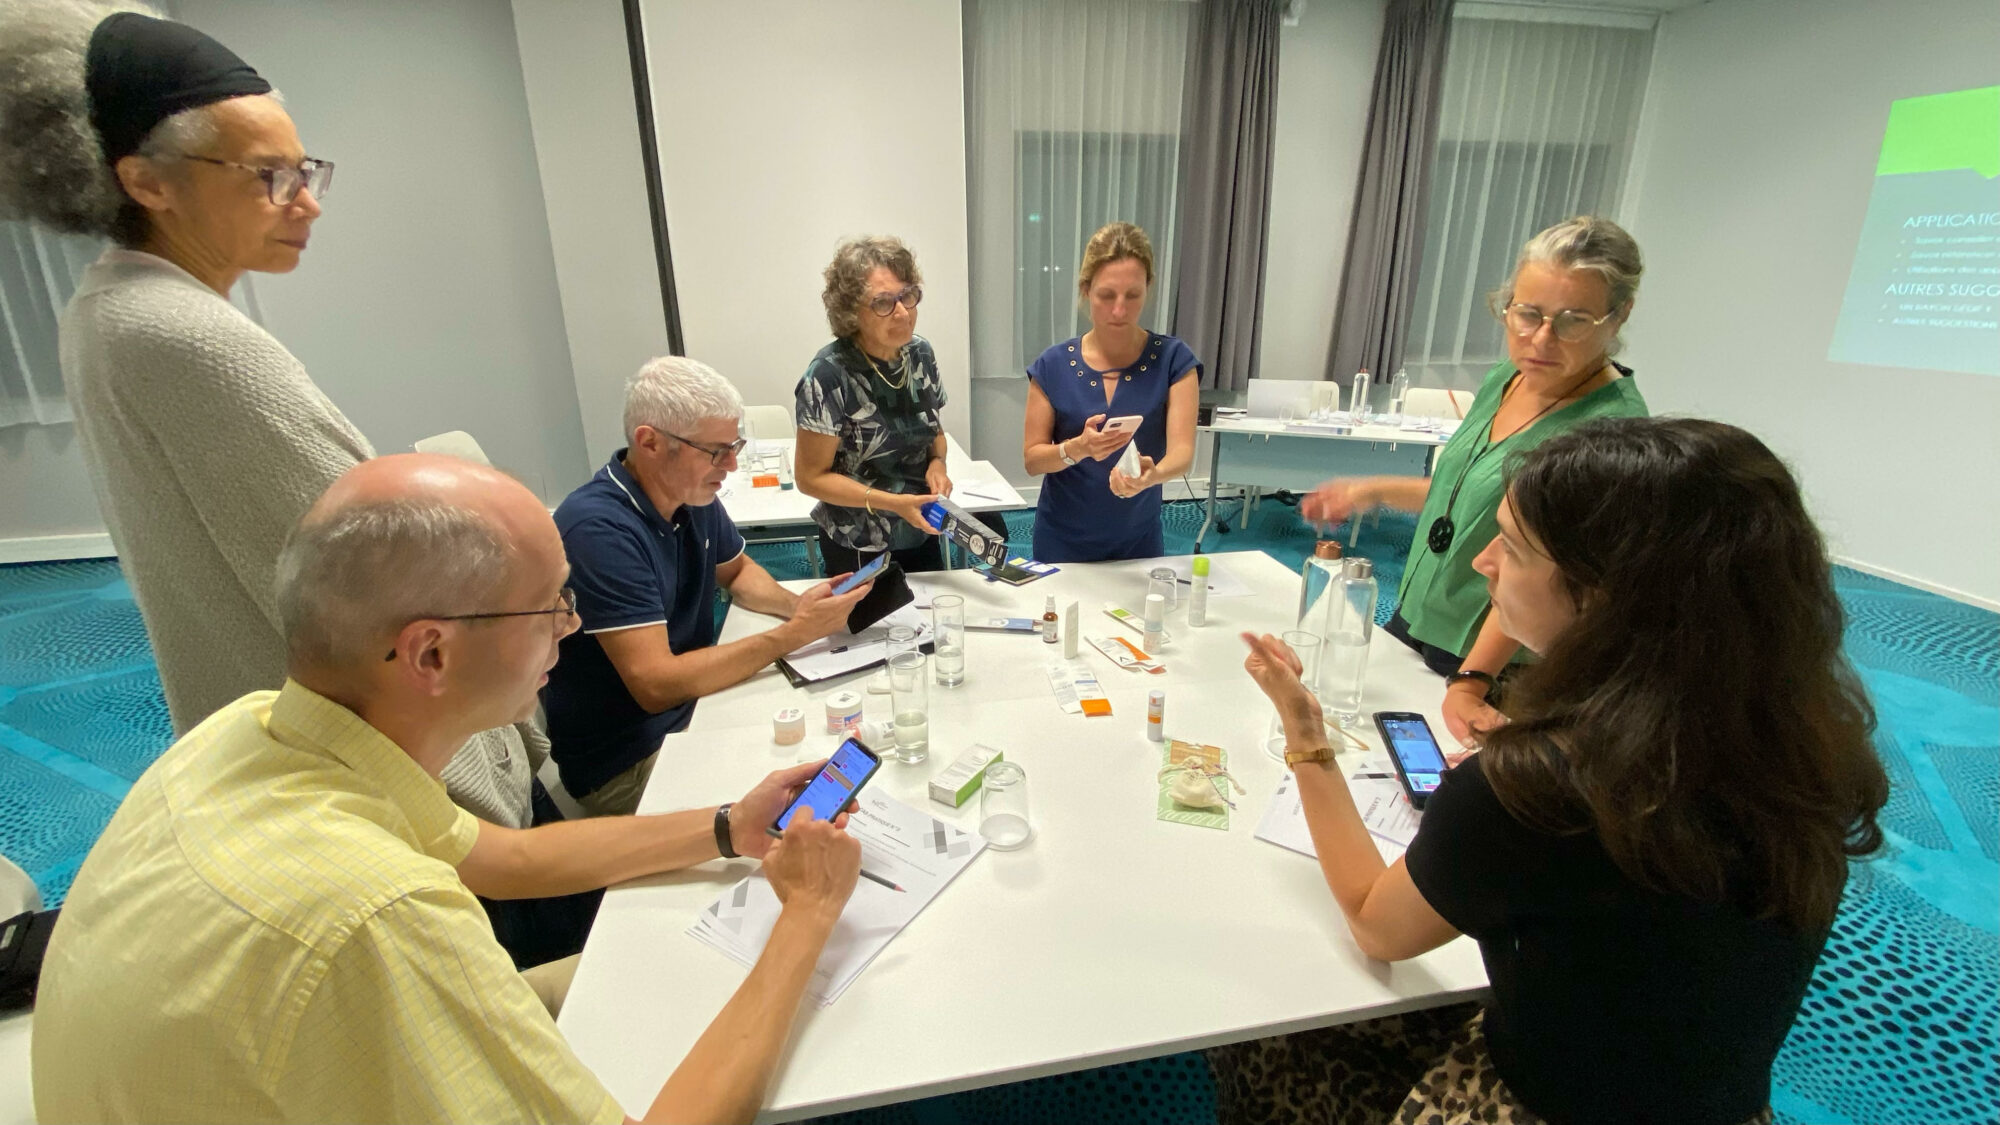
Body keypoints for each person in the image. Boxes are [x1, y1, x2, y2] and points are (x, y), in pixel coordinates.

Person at [32, 453, 865, 1124]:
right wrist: (808, 917)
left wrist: (729, 825)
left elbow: (500, 855)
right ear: (430, 653)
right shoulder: (377, 916)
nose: (570, 629)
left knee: (681, 955)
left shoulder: (252, 729)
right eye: (549, 607)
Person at [1216, 417, 1890, 1125]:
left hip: (1527, 1104)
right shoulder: (1811, 747)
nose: (1483, 561)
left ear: (1600, 592)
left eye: (1512, 545)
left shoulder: (1538, 787)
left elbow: (1377, 926)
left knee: (1263, 1027)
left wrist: (1306, 734)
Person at [0, 9, 545, 849]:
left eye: (305, 170)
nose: (306, 204)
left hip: (272, 757)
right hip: (370, 797)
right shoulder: (186, 337)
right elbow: (367, 593)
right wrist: (494, 790)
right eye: (267, 176)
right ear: (147, 182)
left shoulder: (106, 308)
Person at [1302, 216, 1650, 750]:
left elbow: (1546, 569)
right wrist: (1369, 489)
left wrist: (1473, 680)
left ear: (1619, 314)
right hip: (1418, 616)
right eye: (1526, 314)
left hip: (1493, 661)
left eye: (1572, 321)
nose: (1539, 339)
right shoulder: (1505, 379)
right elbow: (1463, 498)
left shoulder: (1610, 434)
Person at [544, 357, 871, 817]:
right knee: (803, 803)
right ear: (650, 442)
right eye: (717, 451)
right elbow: (656, 685)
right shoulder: (596, 530)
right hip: (627, 762)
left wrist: (797, 607)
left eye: (734, 446)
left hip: (689, 709)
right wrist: (795, 634)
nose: (732, 465)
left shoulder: (688, 490)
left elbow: (736, 571)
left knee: (830, 751)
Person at [1022, 222, 1200, 562]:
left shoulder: (1174, 361)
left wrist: (1153, 476)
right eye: (1106, 296)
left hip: (1138, 540)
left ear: (1149, 288)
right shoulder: (1053, 365)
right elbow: (1032, 460)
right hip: (1062, 539)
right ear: (1086, 290)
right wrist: (1077, 448)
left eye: (1132, 295)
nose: (1119, 310)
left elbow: (1182, 453)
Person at [794, 235, 952, 575]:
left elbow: (933, 433)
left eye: (907, 297)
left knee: (931, 623)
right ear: (851, 312)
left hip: (920, 527)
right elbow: (810, 478)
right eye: (883, 303)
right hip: (858, 541)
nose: (901, 312)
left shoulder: (920, 354)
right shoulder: (828, 374)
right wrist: (893, 503)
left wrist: (937, 463)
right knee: (871, 627)